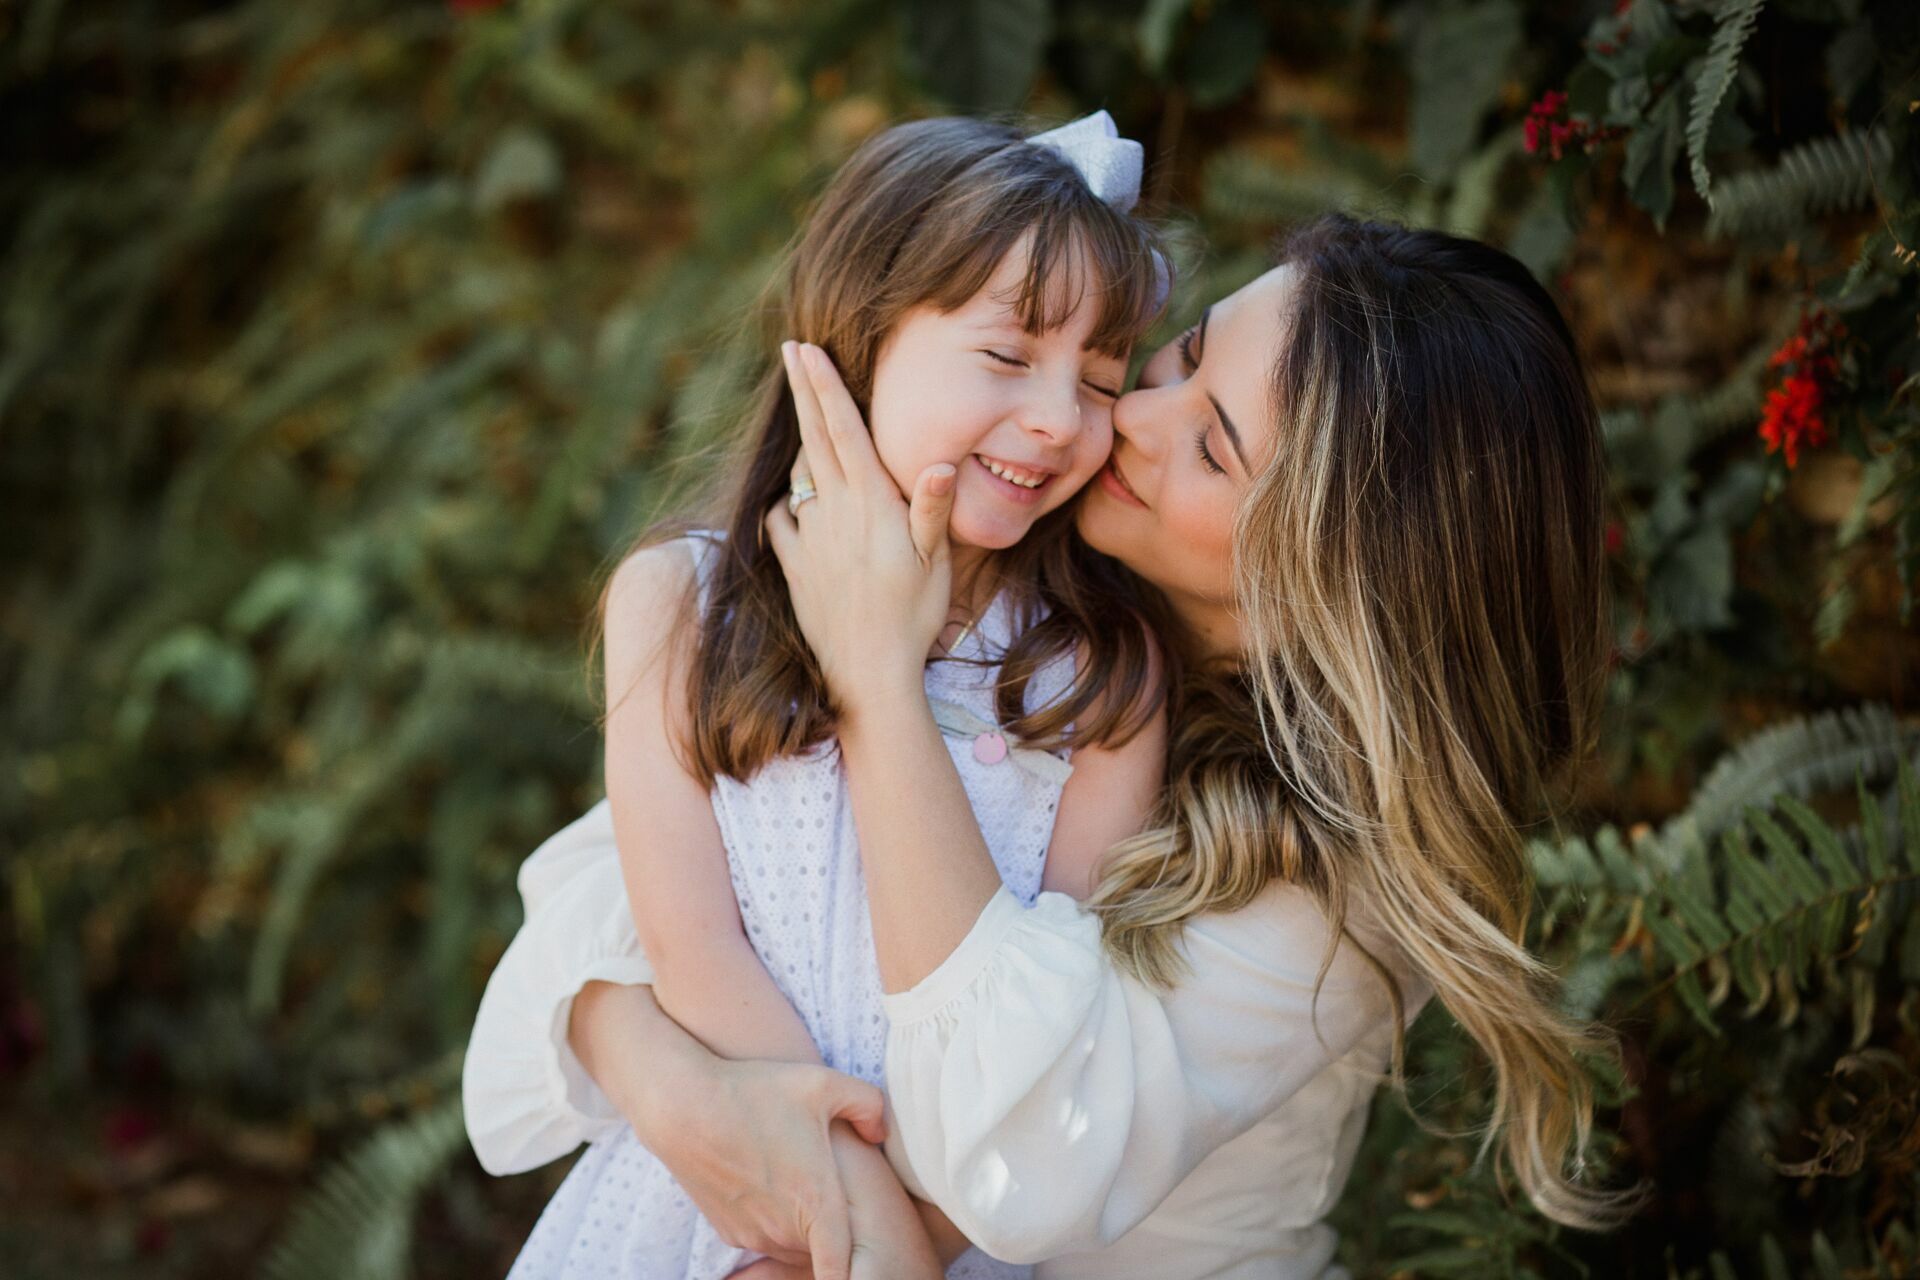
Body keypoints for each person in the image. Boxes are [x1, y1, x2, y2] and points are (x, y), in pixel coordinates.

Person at [467, 210, 1645, 1280]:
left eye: (1214, 447)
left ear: (1340, 582)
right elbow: (625, 878)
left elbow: (1010, 1159)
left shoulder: (1331, 880)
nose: (1123, 415)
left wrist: (878, 676)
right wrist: (679, 1089)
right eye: (1182, 356)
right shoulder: (1031, 613)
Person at [493, 111, 1173, 1280]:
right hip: (729, 1186)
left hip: (956, 1214)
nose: (1062, 418)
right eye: (1009, 357)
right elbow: (692, 949)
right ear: (853, 342)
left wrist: (907, 1240)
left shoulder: (1100, 676)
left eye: (1101, 379)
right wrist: (845, 1211)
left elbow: (1061, 1002)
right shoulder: (679, 605)